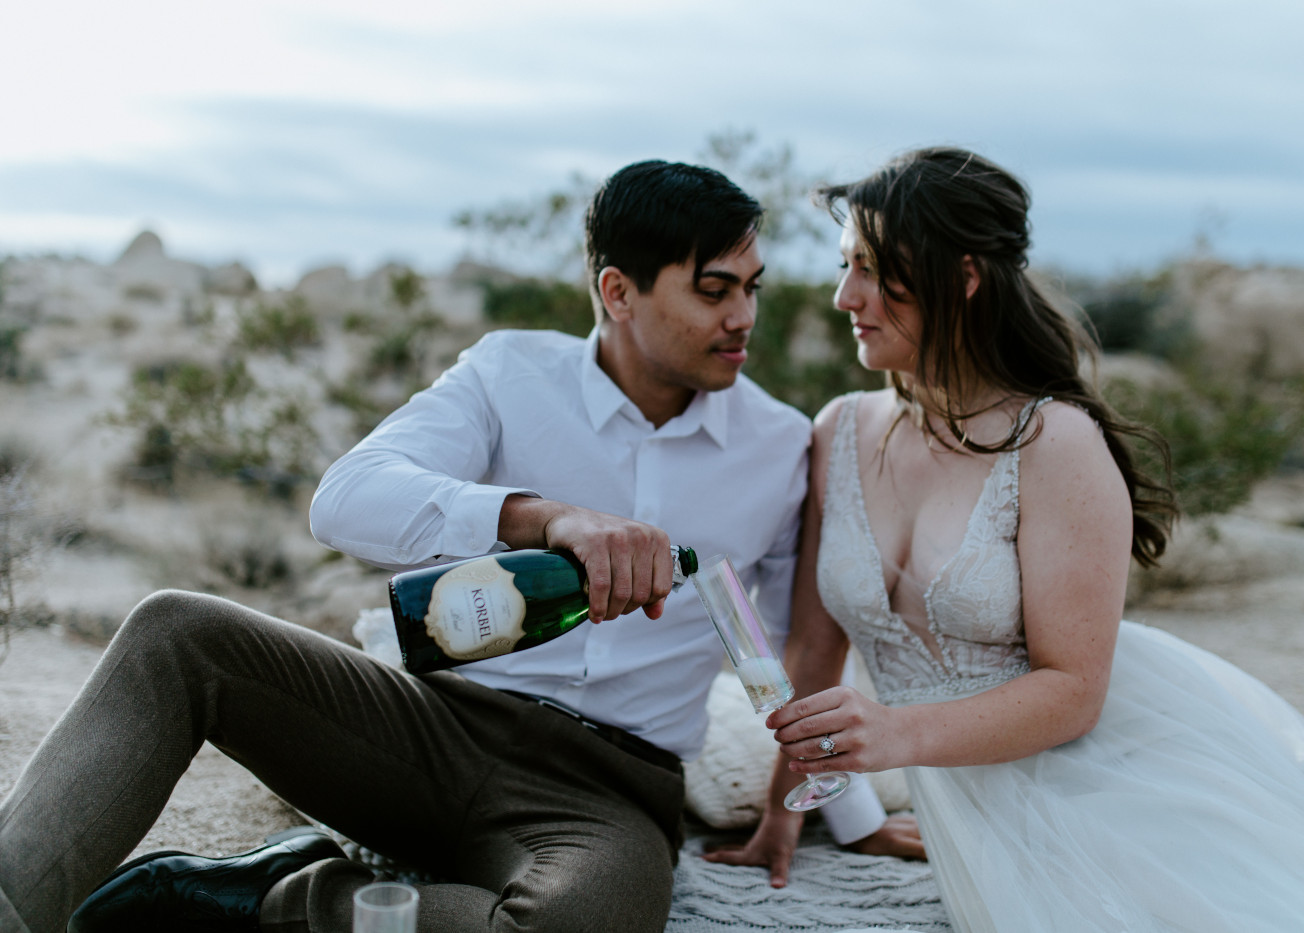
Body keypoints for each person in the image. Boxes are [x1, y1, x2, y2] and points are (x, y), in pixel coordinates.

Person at [0, 159, 919, 933]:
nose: (743, 317)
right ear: (618, 292)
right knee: (176, 631)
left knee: (581, 923)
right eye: (713, 289)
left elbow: (794, 652)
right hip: (428, 722)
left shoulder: (777, 445)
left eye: (751, 287)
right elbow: (345, 500)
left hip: (607, 791)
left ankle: (285, 897)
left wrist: (845, 809)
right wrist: (541, 517)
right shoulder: (508, 373)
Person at [704, 147, 1304, 930]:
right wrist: (784, 813)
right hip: (967, 803)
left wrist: (897, 730)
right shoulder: (840, 428)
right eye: (844, 266)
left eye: (871, 269)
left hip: (1106, 776)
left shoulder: (1055, 440)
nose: (844, 296)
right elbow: (814, 647)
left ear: (964, 276)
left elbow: (1074, 690)